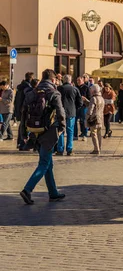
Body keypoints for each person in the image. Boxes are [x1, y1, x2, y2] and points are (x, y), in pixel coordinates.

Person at [19, 69, 67, 205]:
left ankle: (53, 193)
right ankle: (27, 189)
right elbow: (61, 112)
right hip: (49, 131)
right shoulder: (53, 93)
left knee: (48, 163)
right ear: (53, 80)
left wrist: (23, 133)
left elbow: (23, 113)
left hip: (34, 131)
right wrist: (62, 128)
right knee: (44, 163)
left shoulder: (31, 92)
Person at [56, 75, 82, 156]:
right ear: (71, 81)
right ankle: (69, 150)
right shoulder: (75, 89)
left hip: (60, 112)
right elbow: (80, 102)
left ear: (63, 80)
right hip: (71, 113)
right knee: (70, 131)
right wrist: (74, 108)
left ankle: (60, 149)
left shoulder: (59, 89)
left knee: (60, 131)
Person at [14, 72, 34, 150]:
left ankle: (20, 143)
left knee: (22, 126)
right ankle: (24, 144)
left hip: (20, 109)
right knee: (26, 127)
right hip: (25, 109)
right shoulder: (28, 87)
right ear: (31, 78)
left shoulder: (20, 87)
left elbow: (16, 100)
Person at [86, 84, 105, 154]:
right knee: (99, 133)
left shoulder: (93, 98)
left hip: (94, 118)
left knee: (93, 133)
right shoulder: (101, 98)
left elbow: (91, 109)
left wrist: (88, 117)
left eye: (91, 90)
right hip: (100, 117)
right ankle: (99, 147)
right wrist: (87, 101)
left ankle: (96, 149)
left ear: (93, 91)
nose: (90, 91)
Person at [76, 76, 91, 140]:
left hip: (84, 106)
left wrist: (85, 99)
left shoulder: (86, 88)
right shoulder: (75, 88)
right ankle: (77, 134)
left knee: (84, 120)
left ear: (83, 80)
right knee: (78, 121)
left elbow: (90, 98)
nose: (78, 81)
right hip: (77, 106)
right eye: (77, 80)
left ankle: (85, 134)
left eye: (79, 80)